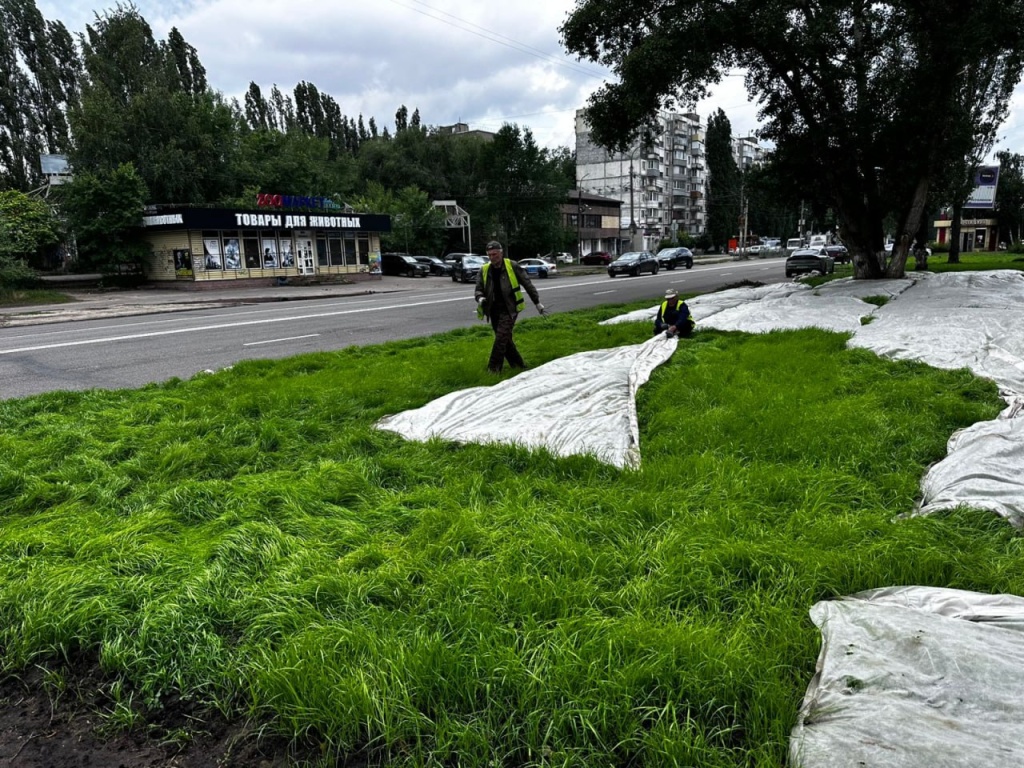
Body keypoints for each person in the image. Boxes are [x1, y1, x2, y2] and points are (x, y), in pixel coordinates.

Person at [474, 240, 547, 373]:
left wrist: (537, 302)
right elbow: (478, 289)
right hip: (493, 310)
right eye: (489, 255)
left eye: (494, 254)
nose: (492, 258)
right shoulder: (484, 270)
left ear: (501, 253)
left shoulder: (512, 266)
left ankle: (493, 369)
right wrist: (480, 298)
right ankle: (518, 365)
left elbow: (527, 284)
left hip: (510, 308)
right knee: (505, 339)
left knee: (501, 337)